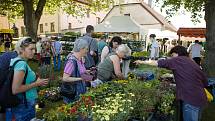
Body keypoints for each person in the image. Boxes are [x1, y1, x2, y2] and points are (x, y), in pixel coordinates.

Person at [135, 45, 208, 121]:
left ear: (177, 53)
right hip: (201, 97)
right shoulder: (191, 62)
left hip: (190, 98)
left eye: (172, 55)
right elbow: (204, 81)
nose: (172, 57)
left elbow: (158, 63)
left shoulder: (177, 60)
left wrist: (141, 61)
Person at [5, 37, 48, 121]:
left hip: (23, 103)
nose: (34, 52)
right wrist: (37, 83)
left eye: (34, 49)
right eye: (31, 49)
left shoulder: (17, 61)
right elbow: (16, 89)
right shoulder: (21, 64)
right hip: (24, 105)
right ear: (21, 49)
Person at [61, 38, 89, 103]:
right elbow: (65, 78)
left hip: (80, 91)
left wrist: (87, 71)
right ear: (81, 49)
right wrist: (81, 78)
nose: (87, 51)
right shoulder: (71, 61)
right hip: (73, 94)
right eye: (86, 49)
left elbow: (79, 71)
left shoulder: (80, 59)